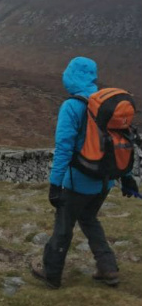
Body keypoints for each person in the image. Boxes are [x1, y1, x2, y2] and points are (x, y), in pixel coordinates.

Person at [31, 56, 139, 289]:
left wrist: (55, 184)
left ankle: (51, 273)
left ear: (70, 76)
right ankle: (107, 267)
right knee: (89, 218)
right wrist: (126, 177)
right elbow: (118, 143)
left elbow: (64, 148)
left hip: (77, 181)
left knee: (63, 225)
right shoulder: (107, 105)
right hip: (104, 181)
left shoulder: (72, 106)